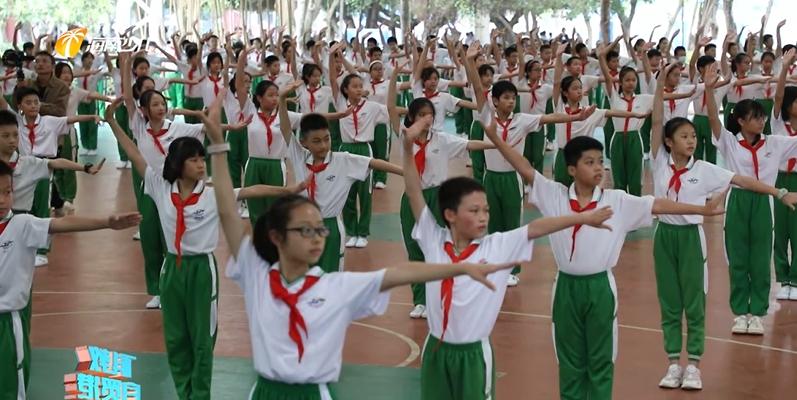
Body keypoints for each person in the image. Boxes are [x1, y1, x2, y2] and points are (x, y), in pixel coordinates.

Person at [204, 85, 516, 400]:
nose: (315, 239)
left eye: (318, 231)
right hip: (267, 393)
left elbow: (396, 274)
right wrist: (218, 146)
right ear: (277, 236)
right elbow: (229, 212)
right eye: (305, 231)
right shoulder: (258, 276)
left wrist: (458, 268)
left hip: (315, 392)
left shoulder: (333, 286)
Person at [481, 115, 726, 400]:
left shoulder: (617, 200)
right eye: (589, 162)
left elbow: (657, 204)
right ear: (571, 169)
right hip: (566, 288)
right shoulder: (554, 195)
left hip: (600, 287)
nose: (598, 167)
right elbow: (523, 166)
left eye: (600, 161)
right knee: (569, 360)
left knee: (601, 359)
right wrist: (496, 138)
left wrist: (701, 211)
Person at [401, 112, 612, 400]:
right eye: (474, 211)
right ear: (450, 215)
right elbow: (413, 191)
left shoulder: (497, 246)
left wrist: (581, 218)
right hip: (436, 349)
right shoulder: (433, 241)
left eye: (485, 210)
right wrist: (406, 147)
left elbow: (537, 227)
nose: (483, 217)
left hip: (473, 353)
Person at [107, 91, 302, 399]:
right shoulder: (160, 187)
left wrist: (288, 188)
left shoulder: (212, 192)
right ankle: (184, 394)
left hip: (201, 270)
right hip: (171, 268)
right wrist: (112, 124)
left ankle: (200, 395)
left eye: (202, 158)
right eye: (194, 159)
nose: (200, 164)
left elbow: (250, 189)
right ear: (178, 164)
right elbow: (135, 153)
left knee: (202, 339)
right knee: (175, 339)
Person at [649, 63, 797, 390]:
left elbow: (743, 178)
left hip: (729, 217)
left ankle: (748, 318)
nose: (691, 141)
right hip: (685, 227)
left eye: (692, 136)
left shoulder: (716, 164)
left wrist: (780, 191)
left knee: (752, 261)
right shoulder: (665, 157)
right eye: (684, 136)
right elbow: (665, 120)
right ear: (669, 142)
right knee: (687, 289)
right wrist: (665, 86)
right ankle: (678, 358)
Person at [0, 160, 140, 400]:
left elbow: (63, 223)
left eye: (7, 192)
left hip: (6, 325)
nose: (3, 200)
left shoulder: (22, 225)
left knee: (9, 387)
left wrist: (106, 222)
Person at [704, 51, 797, 335]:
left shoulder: (775, 143)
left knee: (759, 258)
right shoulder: (730, 143)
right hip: (738, 202)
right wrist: (709, 91)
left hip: (763, 204)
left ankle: (757, 312)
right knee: (738, 258)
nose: (761, 121)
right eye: (755, 118)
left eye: (762, 117)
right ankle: (740, 312)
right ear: (741, 121)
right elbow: (713, 122)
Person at [770, 49, 797, 301]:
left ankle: (796, 279)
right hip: (781, 179)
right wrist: (784, 69)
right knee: (781, 232)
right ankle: (783, 278)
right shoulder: (778, 124)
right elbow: (777, 97)